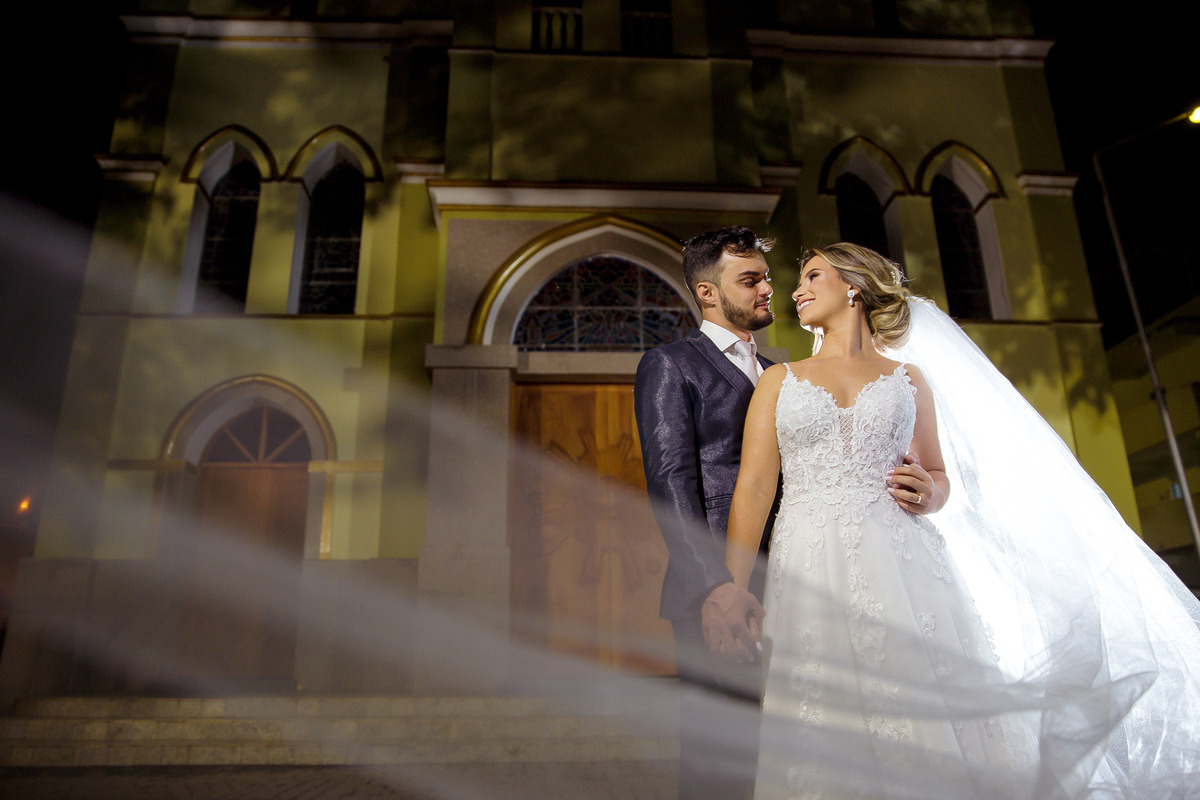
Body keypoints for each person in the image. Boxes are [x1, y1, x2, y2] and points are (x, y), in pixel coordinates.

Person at [725, 243, 1200, 799]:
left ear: (853, 287)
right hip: (808, 558)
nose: (797, 289)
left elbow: (938, 475)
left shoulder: (909, 380)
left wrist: (931, 494)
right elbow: (754, 488)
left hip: (903, 563)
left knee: (919, 703)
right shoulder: (779, 380)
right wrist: (732, 588)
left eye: (812, 276)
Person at [634, 225, 780, 800]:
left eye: (766, 277)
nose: (767, 288)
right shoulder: (671, 365)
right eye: (750, 280)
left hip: (788, 575)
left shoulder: (779, 372)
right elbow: (669, 479)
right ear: (708, 292)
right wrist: (716, 587)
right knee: (721, 758)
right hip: (717, 587)